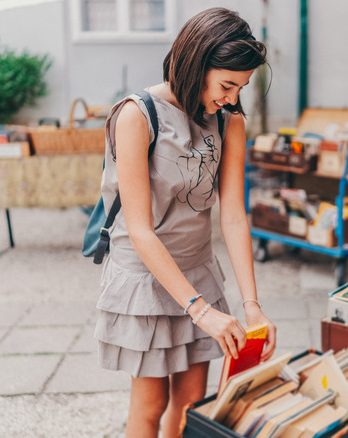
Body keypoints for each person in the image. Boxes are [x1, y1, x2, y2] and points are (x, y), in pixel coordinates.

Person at [94, 7, 277, 438]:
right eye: (226, 84)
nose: (232, 97)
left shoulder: (230, 121)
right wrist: (199, 311)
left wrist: (252, 305)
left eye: (241, 87)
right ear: (197, 63)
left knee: (192, 403)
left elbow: (232, 215)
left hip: (197, 267)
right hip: (146, 276)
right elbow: (139, 229)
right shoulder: (137, 115)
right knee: (151, 404)